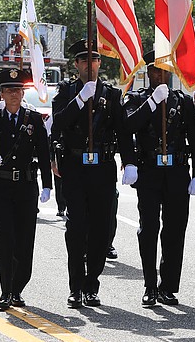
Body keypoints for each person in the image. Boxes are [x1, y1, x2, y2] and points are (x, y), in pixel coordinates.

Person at [51, 39, 134, 309]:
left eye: (94, 59)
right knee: (76, 228)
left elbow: (122, 129)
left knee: (101, 228)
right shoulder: (66, 91)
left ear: (100, 63)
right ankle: (75, 287)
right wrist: (80, 100)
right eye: (84, 60)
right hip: (74, 167)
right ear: (76, 64)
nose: (90, 64)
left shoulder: (111, 94)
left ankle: (92, 284)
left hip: (102, 167)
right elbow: (58, 123)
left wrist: (130, 161)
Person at [123, 52, 195, 307]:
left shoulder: (182, 101)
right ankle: (149, 284)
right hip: (148, 171)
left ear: (170, 73)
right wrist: (150, 104)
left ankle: (168, 286)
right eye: (154, 71)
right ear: (148, 73)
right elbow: (126, 127)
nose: (159, 76)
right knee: (148, 229)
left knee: (175, 230)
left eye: (163, 71)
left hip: (177, 171)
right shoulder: (136, 99)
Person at [0, 68, 52, 310]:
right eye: (9, 90)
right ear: (1, 93)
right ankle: (6, 290)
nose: (13, 94)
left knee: (24, 240)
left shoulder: (32, 119)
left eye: (17, 90)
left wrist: (48, 185)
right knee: (5, 239)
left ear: (23, 93)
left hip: (25, 186)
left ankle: (19, 286)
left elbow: (43, 152)